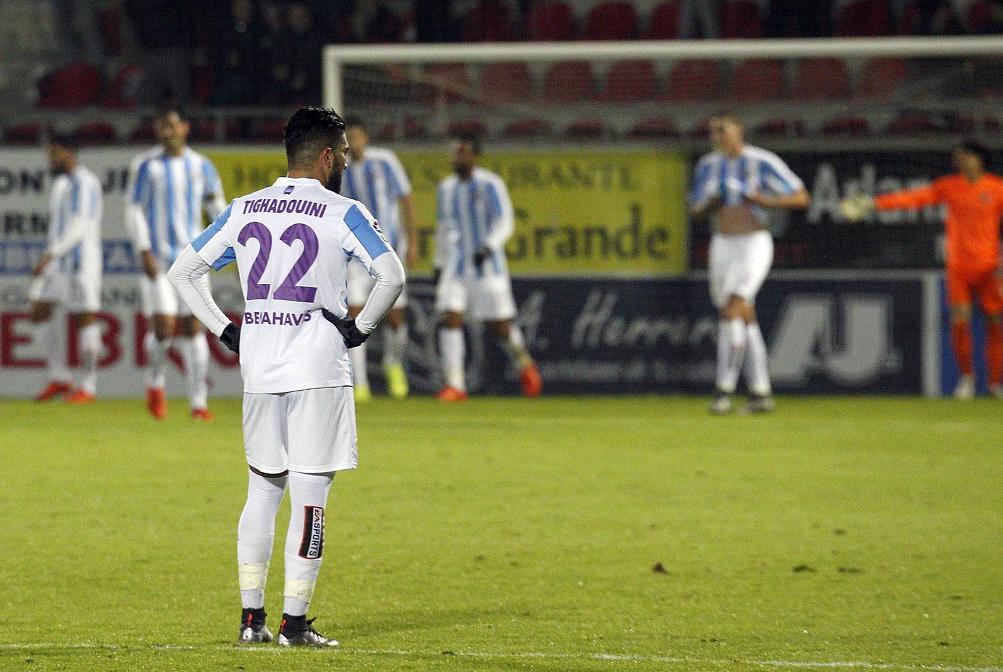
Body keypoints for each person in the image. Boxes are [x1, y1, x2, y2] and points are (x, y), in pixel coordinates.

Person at [167, 107, 405, 647]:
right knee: (311, 497)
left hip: (260, 365)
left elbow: (184, 270)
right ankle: (294, 624)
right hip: (317, 367)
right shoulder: (343, 211)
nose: (346, 163)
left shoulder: (245, 208)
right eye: (344, 155)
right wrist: (360, 328)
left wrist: (225, 329)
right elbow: (391, 274)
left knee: (261, 490)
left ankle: (252, 620)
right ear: (327, 157)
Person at [841, 141, 1003, 399]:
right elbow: (915, 198)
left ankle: (995, 384)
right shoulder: (949, 186)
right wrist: (876, 203)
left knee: (996, 322)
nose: (960, 161)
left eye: (964, 157)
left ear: (979, 159)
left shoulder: (997, 188)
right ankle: (967, 379)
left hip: (990, 267)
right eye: (958, 158)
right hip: (959, 267)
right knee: (960, 321)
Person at [690, 112, 810, 414]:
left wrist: (765, 201)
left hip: (753, 243)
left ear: (738, 131)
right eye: (712, 131)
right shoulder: (707, 165)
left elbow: (801, 197)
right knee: (743, 316)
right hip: (722, 243)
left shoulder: (762, 161)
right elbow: (695, 209)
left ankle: (723, 390)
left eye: (722, 130)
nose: (716, 136)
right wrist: (711, 205)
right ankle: (760, 392)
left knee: (733, 306)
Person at [125, 105, 226, 420]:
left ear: (184, 127)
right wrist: (143, 249)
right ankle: (155, 384)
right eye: (161, 126)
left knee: (194, 328)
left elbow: (217, 208)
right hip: (159, 259)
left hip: (193, 260)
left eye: (171, 125)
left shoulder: (202, 166)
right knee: (164, 328)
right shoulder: (146, 165)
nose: (166, 131)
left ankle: (199, 403)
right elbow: (134, 209)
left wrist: (225, 244)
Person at [433, 133, 542, 401]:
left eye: (462, 152)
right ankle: (455, 384)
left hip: (487, 267)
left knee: (500, 326)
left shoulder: (490, 184)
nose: (456, 157)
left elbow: (505, 220)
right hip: (456, 267)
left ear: (474, 155)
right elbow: (444, 227)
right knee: (449, 317)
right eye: (454, 152)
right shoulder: (446, 188)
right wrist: (439, 262)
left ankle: (524, 364)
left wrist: (489, 246)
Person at [339, 118, 418, 400]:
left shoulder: (385, 161)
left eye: (357, 137)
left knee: (396, 318)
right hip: (357, 256)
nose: (354, 143)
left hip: (389, 251)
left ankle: (393, 363)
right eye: (349, 139)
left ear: (366, 138)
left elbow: (406, 199)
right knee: (355, 314)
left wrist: (413, 242)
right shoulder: (341, 169)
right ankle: (360, 383)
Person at [29, 133, 104, 404]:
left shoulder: (87, 182)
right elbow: (57, 226)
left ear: (69, 152)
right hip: (58, 264)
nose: (50, 159)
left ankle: (89, 386)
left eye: (54, 153)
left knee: (86, 319)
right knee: (38, 311)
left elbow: (81, 225)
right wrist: (53, 255)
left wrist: (52, 253)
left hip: (82, 263)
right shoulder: (60, 184)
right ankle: (60, 377)